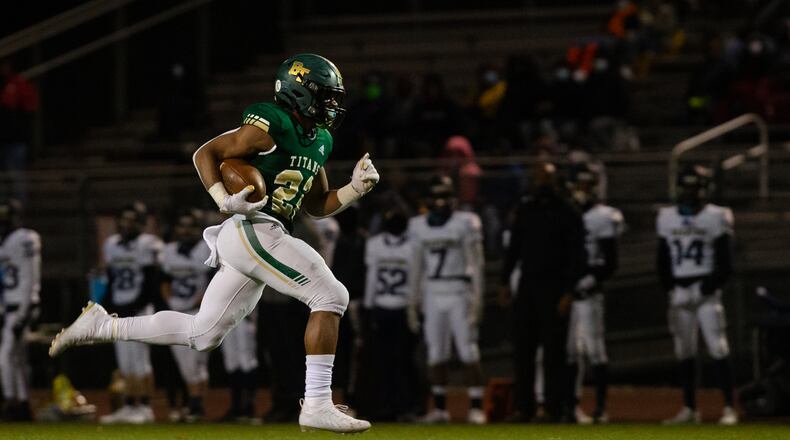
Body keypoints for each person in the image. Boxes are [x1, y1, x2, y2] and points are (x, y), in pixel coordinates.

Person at [49, 53, 379, 433]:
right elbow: (205, 153)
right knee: (331, 296)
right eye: (324, 96)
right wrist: (223, 199)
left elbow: (316, 205)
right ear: (299, 91)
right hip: (253, 225)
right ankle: (318, 402)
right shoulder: (272, 121)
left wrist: (355, 188)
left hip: (266, 234)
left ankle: (102, 326)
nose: (331, 105)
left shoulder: (320, 139)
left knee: (202, 335)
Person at [499, 162, 586, 422]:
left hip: (555, 286)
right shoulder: (526, 210)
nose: (542, 183)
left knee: (553, 353)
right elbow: (514, 249)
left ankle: (553, 408)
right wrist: (504, 282)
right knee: (523, 350)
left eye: (546, 178)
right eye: (539, 178)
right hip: (528, 286)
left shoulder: (568, 212)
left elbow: (576, 256)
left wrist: (569, 291)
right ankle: (524, 408)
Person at [658, 165, 737, 425]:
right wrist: (671, 287)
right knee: (685, 352)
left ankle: (728, 407)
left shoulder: (716, 216)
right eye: (687, 187)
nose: (690, 193)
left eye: (695, 187)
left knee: (718, 348)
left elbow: (726, 264)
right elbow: (662, 259)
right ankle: (690, 408)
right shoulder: (667, 217)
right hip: (680, 292)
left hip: (706, 293)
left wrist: (704, 288)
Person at [409, 175, 486, 424]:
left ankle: (476, 406)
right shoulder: (418, 225)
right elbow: (416, 266)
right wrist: (413, 301)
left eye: (445, 196)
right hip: (432, 290)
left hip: (458, 290)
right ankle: (441, 408)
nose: (441, 202)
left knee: (468, 352)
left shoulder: (466, 222)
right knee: (436, 354)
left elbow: (477, 263)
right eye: (437, 197)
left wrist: (478, 298)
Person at [565, 164, 623, 424]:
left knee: (595, 351)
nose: (583, 191)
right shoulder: (564, 213)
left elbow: (610, 262)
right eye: (579, 184)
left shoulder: (603, 216)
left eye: (587, 185)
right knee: (570, 353)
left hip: (589, 292)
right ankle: (572, 404)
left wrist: (590, 280)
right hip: (567, 292)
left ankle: (601, 407)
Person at [97, 204, 163, 424]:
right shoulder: (112, 244)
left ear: (142, 223)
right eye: (124, 220)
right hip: (120, 309)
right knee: (124, 363)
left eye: (133, 220)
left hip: (139, 309)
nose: (128, 225)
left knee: (140, 361)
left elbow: (151, 281)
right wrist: (106, 306)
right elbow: (111, 278)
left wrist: (136, 305)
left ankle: (145, 407)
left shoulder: (148, 244)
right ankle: (128, 405)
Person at [363, 209, 417, 421]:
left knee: (398, 361)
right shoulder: (410, 247)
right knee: (391, 361)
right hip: (393, 308)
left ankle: (398, 404)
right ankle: (393, 404)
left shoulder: (377, 244)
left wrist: (369, 307)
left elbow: (371, 278)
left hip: (392, 308)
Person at [160, 211, 212, 422]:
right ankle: (196, 405)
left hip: (200, 311)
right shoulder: (169, 251)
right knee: (187, 364)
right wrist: (171, 302)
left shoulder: (206, 248)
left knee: (197, 363)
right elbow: (164, 281)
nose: (185, 230)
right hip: (178, 311)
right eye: (182, 226)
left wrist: (197, 302)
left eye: (190, 226)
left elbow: (212, 282)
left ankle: (196, 404)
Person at [0, 199, 40, 421]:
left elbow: (29, 278)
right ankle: (24, 405)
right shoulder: (5, 242)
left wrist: (23, 312)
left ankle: (11, 402)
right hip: (10, 306)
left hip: (22, 305)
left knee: (5, 356)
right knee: (17, 358)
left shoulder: (25, 238)